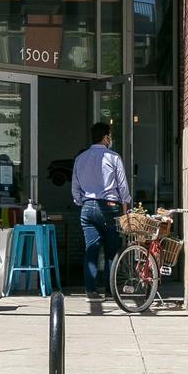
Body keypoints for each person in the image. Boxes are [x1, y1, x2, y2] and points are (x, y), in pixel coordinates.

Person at [71, 121, 129, 299]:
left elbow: (75, 187)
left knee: (91, 249)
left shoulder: (80, 158)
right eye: (110, 136)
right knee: (112, 250)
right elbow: (123, 187)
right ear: (105, 137)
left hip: (87, 206)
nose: (110, 139)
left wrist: (82, 201)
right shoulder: (113, 157)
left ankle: (91, 290)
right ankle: (111, 290)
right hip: (109, 206)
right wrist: (125, 209)